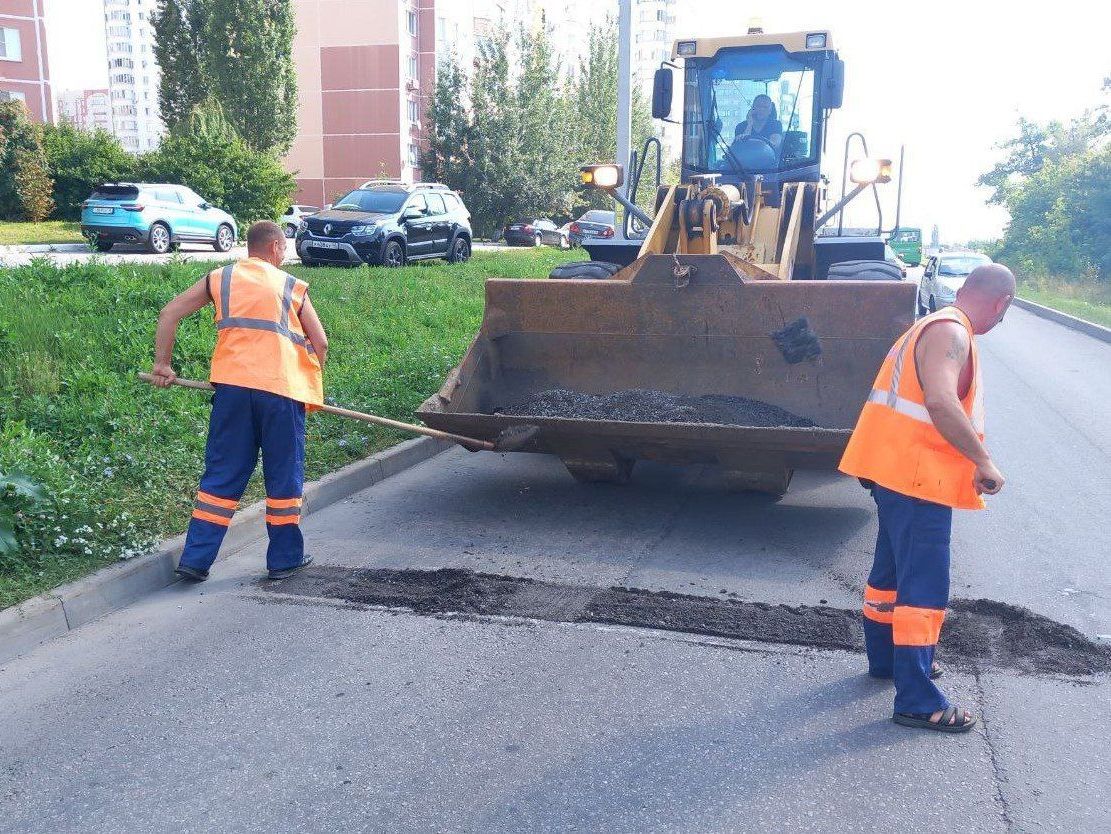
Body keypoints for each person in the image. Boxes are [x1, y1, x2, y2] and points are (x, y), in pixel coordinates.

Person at [839, 263, 1015, 733]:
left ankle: (886, 662)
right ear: (1002, 304)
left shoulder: (934, 325)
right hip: (918, 479)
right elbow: (940, 402)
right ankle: (918, 700)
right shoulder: (951, 333)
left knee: (890, 577)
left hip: (896, 471)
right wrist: (984, 461)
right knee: (923, 590)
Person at [150, 220, 328, 581]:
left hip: (232, 390)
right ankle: (283, 561)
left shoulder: (221, 278)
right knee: (283, 479)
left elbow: (169, 313)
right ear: (277, 247)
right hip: (281, 393)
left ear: (250, 247)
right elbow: (320, 343)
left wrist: (162, 365)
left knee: (222, 475)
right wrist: (306, 384)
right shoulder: (291, 285)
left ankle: (195, 560)